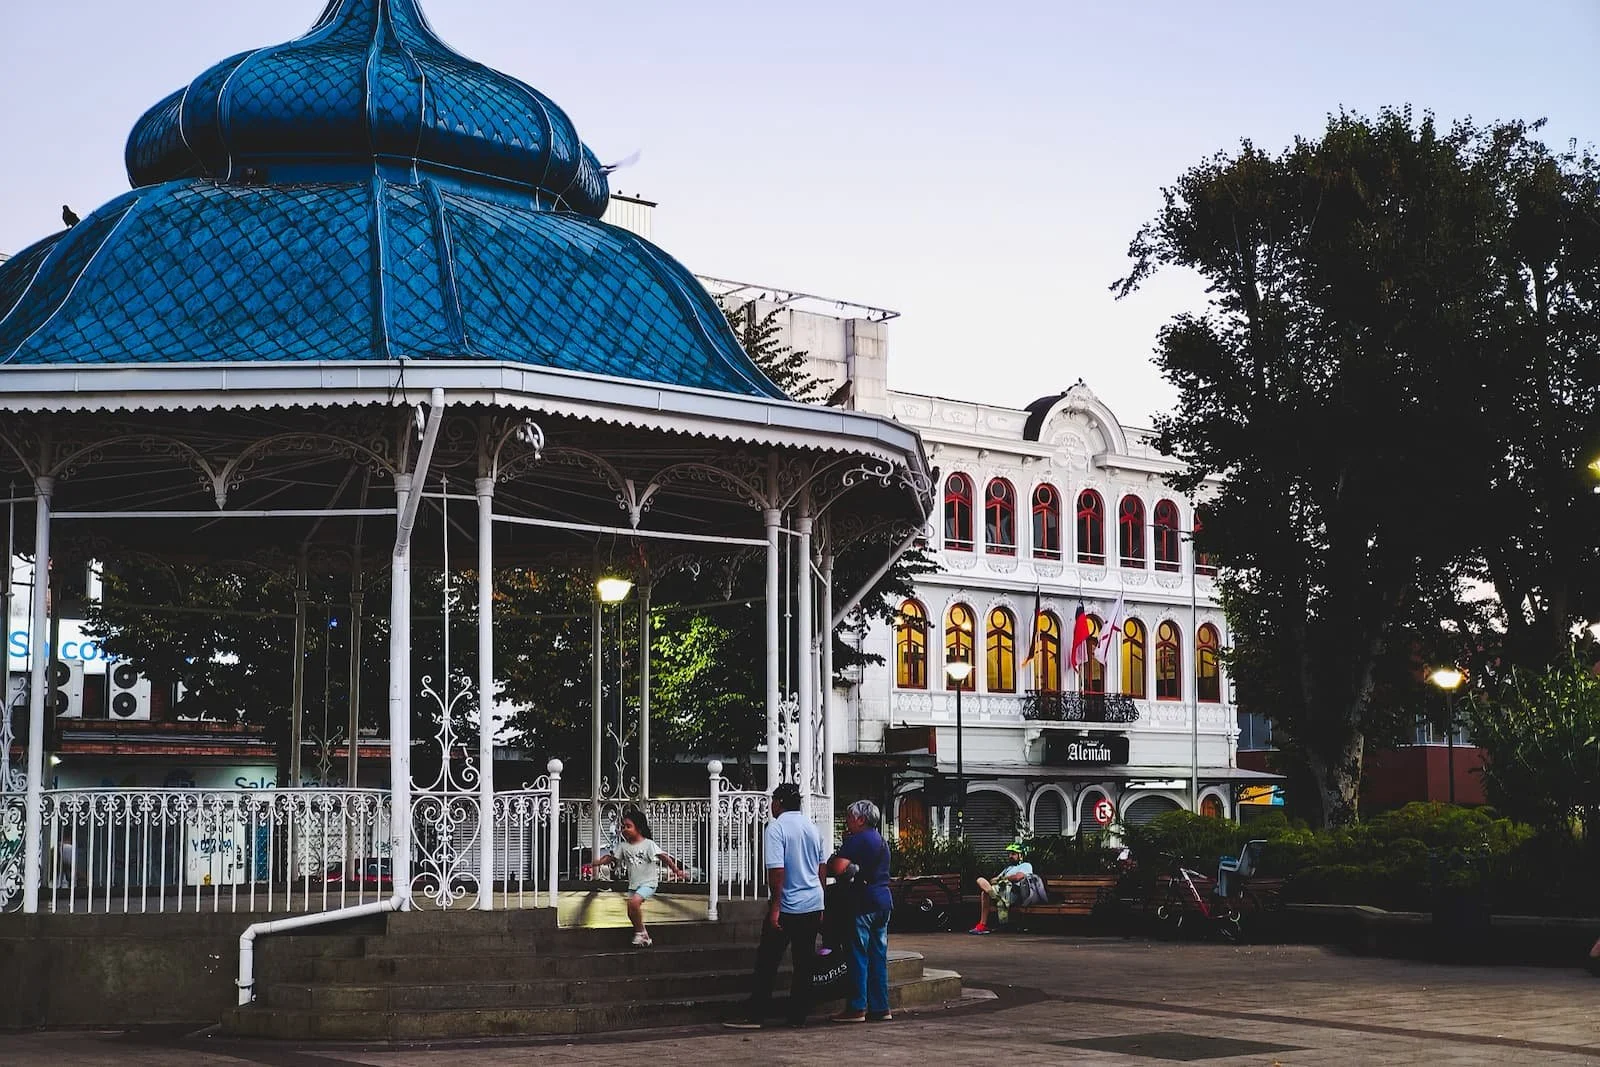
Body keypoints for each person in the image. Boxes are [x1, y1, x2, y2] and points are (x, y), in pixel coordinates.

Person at [724, 782, 825, 1029]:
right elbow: (822, 868)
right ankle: (797, 1017)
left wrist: (776, 906)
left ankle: (756, 1015)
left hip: (788, 906)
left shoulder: (776, 828)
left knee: (767, 961)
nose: (771, 806)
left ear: (779, 803)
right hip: (812, 903)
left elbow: (776, 872)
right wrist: (822, 900)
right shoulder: (813, 827)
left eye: (773, 801)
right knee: (804, 963)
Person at [826, 799, 893, 1023]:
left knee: (858, 955)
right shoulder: (881, 841)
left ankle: (857, 1006)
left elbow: (838, 868)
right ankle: (881, 1006)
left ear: (861, 819)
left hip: (863, 903)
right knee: (878, 956)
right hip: (883, 901)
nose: (848, 822)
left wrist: (835, 858)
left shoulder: (857, 840)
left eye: (850, 818)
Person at [591, 809, 685, 947]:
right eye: (623, 827)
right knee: (631, 911)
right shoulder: (623, 846)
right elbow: (611, 857)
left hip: (649, 883)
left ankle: (641, 932)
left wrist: (676, 870)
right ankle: (643, 935)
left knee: (634, 903)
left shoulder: (648, 844)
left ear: (639, 828)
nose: (624, 830)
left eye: (628, 826)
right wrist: (598, 862)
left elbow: (664, 857)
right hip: (634, 885)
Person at [968, 841, 1033, 934]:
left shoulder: (1026, 865)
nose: (1010, 856)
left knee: (985, 893)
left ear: (1021, 855)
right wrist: (999, 879)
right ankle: (996, 900)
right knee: (980, 880)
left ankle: (983, 923)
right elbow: (993, 881)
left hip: (1012, 893)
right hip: (999, 890)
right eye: (1010, 854)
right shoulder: (1008, 868)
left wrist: (1002, 878)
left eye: (1013, 854)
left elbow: (1018, 877)